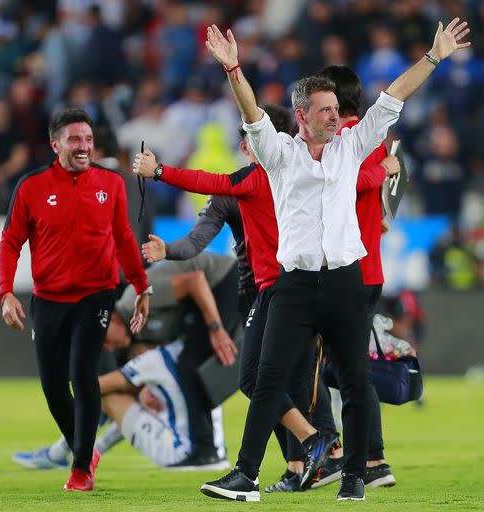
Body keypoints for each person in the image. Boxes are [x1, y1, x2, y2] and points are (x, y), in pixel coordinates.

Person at [198, 19, 471, 502]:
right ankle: (245, 477)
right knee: (267, 381)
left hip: (345, 280)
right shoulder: (277, 154)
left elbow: (393, 98)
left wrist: (434, 56)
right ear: (301, 115)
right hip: (295, 285)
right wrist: (232, 68)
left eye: (335, 109)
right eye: (324, 110)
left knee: (356, 382)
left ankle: (353, 479)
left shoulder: (352, 145)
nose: (335, 117)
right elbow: (252, 113)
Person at [134, 104, 339, 493]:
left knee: (266, 382)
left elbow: (206, 181)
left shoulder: (256, 180)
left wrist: (160, 172)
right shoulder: (297, 176)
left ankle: (316, 450)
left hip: (284, 291)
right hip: (274, 291)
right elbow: (198, 235)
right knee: (279, 383)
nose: (244, 145)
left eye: (249, 137)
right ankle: (303, 461)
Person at [0, 108, 150, 492]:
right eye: (75, 140)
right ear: (55, 144)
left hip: (96, 295)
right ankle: (85, 448)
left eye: (88, 140)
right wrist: (6, 293)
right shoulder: (31, 186)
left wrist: (141, 287)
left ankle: (81, 467)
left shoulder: (111, 183)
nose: (84, 147)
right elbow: (10, 242)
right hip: (48, 299)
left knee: (84, 376)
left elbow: (125, 239)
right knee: (52, 386)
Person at [12, 253, 240, 471]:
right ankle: (72, 450)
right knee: (187, 368)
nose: (109, 347)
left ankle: (207, 451)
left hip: (224, 278)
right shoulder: (138, 334)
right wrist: (143, 389)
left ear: (109, 318)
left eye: (104, 340)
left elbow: (195, 281)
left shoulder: (134, 300)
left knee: (188, 366)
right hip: (209, 298)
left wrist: (215, 328)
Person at [310, 64, 401, 489]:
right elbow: (385, 190)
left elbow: (357, 181)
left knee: (329, 369)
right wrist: (389, 176)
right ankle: (370, 456)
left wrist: (383, 173)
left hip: (349, 270)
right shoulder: (375, 141)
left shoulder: (343, 138)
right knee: (347, 368)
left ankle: (345, 454)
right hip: (367, 267)